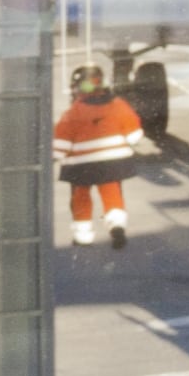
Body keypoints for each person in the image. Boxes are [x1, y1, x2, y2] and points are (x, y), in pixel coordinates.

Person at [52, 62, 139, 250]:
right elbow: (134, 134)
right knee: (112, 192)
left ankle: (83, 236)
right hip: (113, 161)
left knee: (80, 196)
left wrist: (56, 155)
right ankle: (116, 225)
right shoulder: (118, 105)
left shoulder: (73, 111)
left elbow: (62, 140)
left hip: (80, 164)